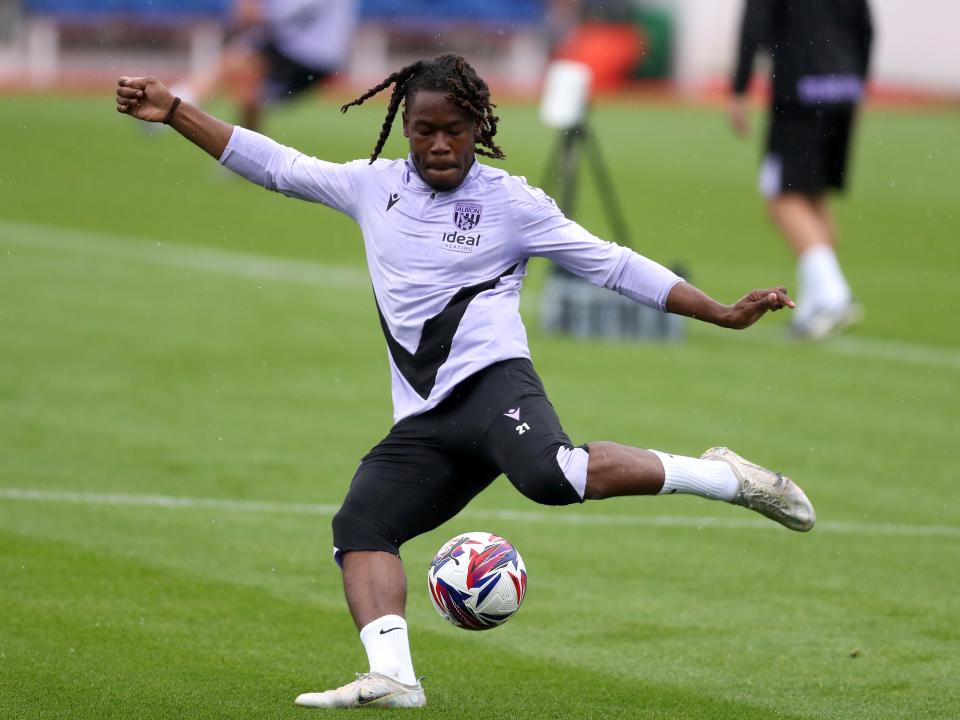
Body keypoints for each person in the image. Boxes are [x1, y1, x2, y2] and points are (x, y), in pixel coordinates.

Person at [116, 54, 815, 710]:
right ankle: (394, 676)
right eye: (424, 130)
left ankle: (729, 479)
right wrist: (177, 109)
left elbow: (611, 263)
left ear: (478, 127)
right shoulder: (374, 186)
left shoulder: (511, 202)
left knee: (551, 477)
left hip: (492, 384)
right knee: (361, 525)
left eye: (454, 129)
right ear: (406, 128)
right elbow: (276, 165)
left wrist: (720, 311)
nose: (440, 145)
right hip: (424, 418)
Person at [729, 0, 873, 340]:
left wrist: (738, 87)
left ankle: (835, 295)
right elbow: (866, 28)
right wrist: (858, 82)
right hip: (843, 88)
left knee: (782, 197)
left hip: (801, 92)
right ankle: (812, 307)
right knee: (813, 196)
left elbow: (754, 26)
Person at [173, 0, 359, 131]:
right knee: (247, 84)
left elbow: (285, 12)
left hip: (306, 55)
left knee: (238, 63)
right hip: (299, 52)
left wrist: (257, 11)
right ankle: (248, 152)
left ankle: (178, 104)